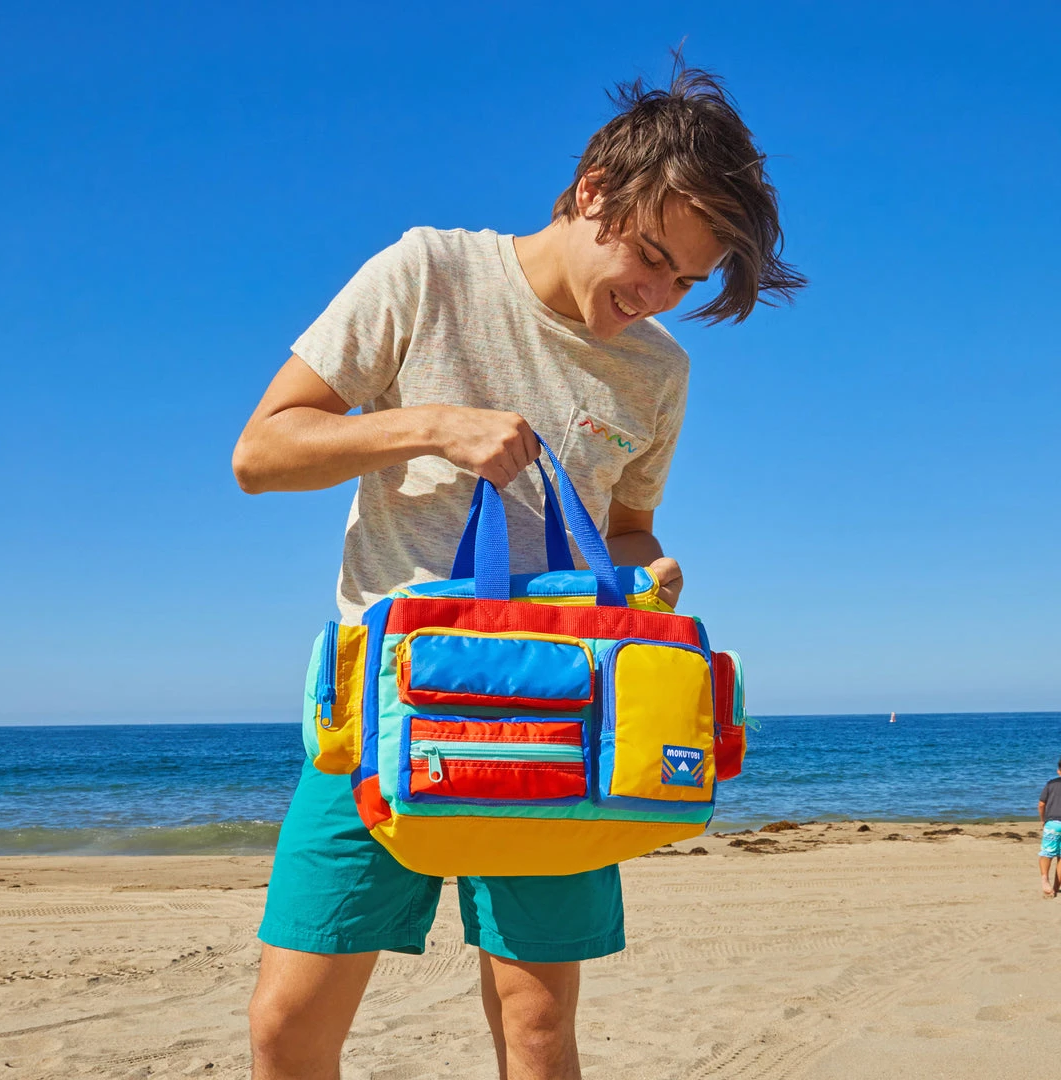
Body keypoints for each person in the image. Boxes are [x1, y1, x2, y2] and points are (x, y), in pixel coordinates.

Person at [233, 57, 804, 1080]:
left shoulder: (659, 371)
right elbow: (262, 452)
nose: (656, 294)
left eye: (685, 279)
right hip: (379, 708)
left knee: (538, 1037)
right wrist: (429, 427)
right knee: (287, 1027)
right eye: (648, 256)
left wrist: (651, 575)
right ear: (594, 191)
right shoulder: (428, 274)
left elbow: (628, 529)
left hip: (561, 713)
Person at [1038, 758, 1061, 897]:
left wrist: (1043, 820)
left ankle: (1045, 880)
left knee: (1047, 853)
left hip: (1052, 822)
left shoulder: (1051, 784)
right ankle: (1056, 887)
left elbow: (1041, 804)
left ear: (1059, 770)